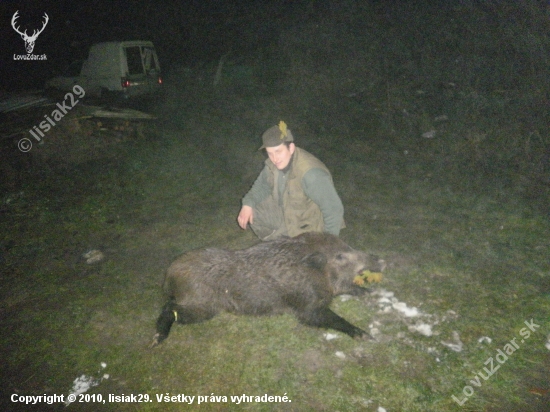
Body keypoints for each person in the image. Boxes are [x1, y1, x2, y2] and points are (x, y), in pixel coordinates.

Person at [237, 121, 344, 240]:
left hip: (308, 227)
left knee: (298, 253)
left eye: (278, 151)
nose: (274, 159)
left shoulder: (311, 174)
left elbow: (333, 210)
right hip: (287, 214)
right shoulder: (273, 165)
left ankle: (290, 246)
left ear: (291, 148)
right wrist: (247, 204)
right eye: (270, 153)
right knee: (253, 210)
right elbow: (261, 186)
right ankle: (275, 246)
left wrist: (328, 243)